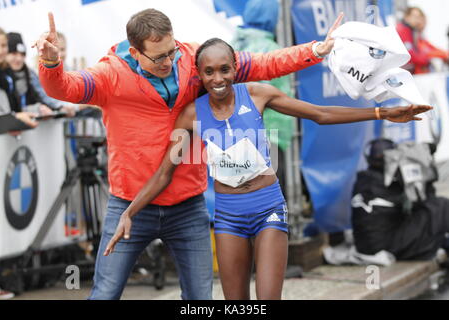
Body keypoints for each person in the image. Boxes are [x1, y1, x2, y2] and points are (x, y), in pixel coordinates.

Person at [35, 9, 343, 300]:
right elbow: (66, 89)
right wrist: (51, 66)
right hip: (131, 204)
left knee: (199, 300)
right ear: (135, 52)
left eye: (172, 51)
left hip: (187, 205)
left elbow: (262, 63)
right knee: (105, 293)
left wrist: (316, 50)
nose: (169, 61)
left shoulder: (193, 61)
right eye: (159, 57)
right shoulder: (109, 75)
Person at [103, 38, 431, 300]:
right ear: (199, 75)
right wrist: (129, 212)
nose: (218, 79)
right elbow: (164, 173)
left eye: (225, 69)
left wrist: (381, 114)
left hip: (267, 207)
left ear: (235, 69)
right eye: (209, 72)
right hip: (229, 215)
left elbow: (320, 114)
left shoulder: (257, 94)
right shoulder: (191, 115)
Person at [231, 0, 294, 196]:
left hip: (233, 141)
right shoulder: (271, 48)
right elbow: (279, 100)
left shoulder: (231, 46)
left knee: (242, 205)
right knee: (271, 209)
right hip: (268, 138)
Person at [0, 27, 38, 131]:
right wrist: (13, 119)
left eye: (3, 46)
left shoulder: (7, 74)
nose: (0, 50)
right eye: (14, 54)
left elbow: (14, 109)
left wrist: (38, 109)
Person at [396, 7, 449, 74]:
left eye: (419, 18)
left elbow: (430, 48)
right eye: (415, 17)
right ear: (407, 17)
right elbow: (410, 55)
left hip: (409, 71)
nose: (418, 20)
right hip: (406, 71)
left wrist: (444, 54)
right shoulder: (403, 30)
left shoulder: (412, 31)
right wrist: (427, 59)